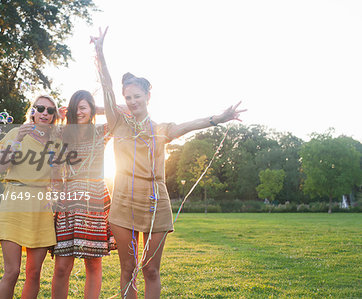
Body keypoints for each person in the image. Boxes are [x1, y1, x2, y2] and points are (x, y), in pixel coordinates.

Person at [91, 27, 246, 298]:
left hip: (155, 201)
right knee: (128, 269)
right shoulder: (118, 123)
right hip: (123, 200)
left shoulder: (161, 129)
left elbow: (190, 125)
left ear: (148, 97)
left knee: (150, 269)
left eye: (137, 96)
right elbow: (106, 86)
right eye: (127, 97)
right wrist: (100, 53)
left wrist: (219, 118)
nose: (132, 101)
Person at [0, 95, 61, 299]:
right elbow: (1, 167)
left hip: (41, 205)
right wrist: (18, 140)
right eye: (40, 108)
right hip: (14, 202)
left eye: (50, 111)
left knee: (34, 273)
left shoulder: (55, 142)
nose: (45, 113)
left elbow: (56, 178)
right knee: (12, 271)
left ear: (54, 116)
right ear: (33, 111)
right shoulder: (16, 133)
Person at [51, 90, 116, 299]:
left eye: (83, 107)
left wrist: (97, 108)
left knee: (93, 263)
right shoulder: (62, 133)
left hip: (95, 201)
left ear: (91, 109)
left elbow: (126, 113)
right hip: (68, 200)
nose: (79, 112)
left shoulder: (100, 131)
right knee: (62, 265)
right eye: (75, 107)